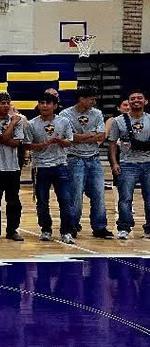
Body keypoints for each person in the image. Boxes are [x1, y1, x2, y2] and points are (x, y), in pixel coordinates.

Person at [61, 87, 111, 239]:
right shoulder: (66, 114)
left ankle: (100, 227)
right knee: (75, 196)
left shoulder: (97, 113)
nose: (94, 102)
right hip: (74, 158)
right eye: (91, 99)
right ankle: (73, 226)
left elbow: (101, 135)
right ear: (81, 99)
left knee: (99, 194)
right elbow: (69, 137)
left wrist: (81, 136)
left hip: (94, 158)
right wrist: (90, 136)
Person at [26, 93, 76, 243]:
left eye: (48, 103)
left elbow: (70, 141)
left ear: (55, 106)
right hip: (40, 167)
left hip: (60, 165)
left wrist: (60, 141)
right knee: (42, 201)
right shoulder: (31, 124)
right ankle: (46, 229)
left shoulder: (64, 121)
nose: (45, 105)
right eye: (41, 103)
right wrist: (42, 145)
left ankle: (66, 231)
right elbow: (27, 145)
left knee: (65, 201)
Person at [108, 88, 150, 240]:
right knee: (125, 198)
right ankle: (124, 227)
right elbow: (112, 143)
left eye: (140, 98)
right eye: (133, 98)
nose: (136, 100)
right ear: (128, 102)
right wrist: (114, 163)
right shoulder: (118, 121)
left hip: (148, 163)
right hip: (127, 164)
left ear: (146, 101)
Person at [0, 93, 26, 242]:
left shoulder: (18, 121)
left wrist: (8, 134)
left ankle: (12, 230)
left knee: (14, 201)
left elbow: (17, 142)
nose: (6, 106)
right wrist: (12, 124)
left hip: (13, 167)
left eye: (8, 103)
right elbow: (2, 138)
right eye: (2, 103)